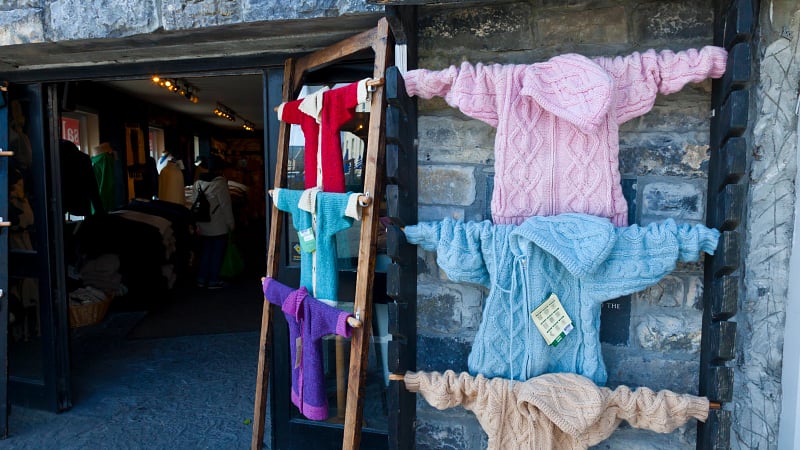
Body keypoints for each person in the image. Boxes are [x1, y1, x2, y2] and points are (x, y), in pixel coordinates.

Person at [193, 155, 234, 289]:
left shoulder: (197, 183)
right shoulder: (220, 183)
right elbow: (225, 206)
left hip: (203, 224)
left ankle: (201, 278)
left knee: (205, 252)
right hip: (218, 225)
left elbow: (195, 204)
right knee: (216, 253)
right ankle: (213, 280)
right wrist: (231, 224)